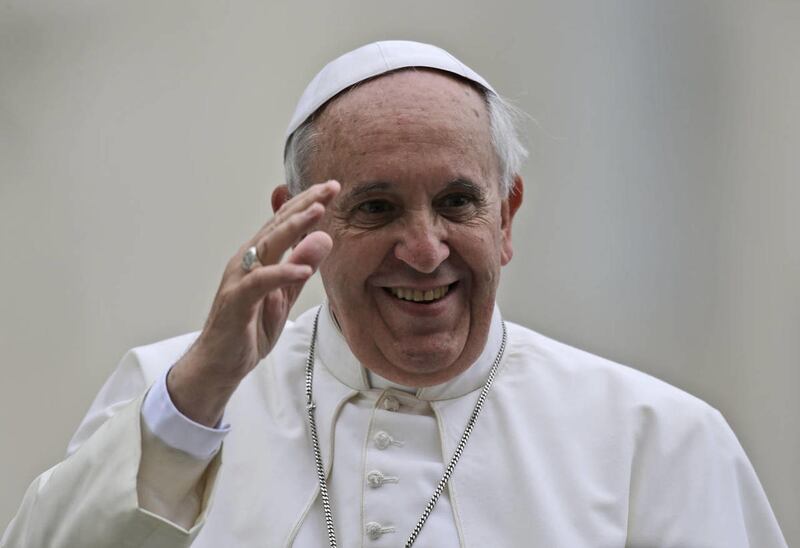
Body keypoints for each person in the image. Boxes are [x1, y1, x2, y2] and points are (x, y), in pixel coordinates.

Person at [1, 40, 787, 548]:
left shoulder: (661, 440)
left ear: (506, 217)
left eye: (457, 203)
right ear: (300, 222)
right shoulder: (176, 395)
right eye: (376, 207)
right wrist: (197, 398)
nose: (424, 250)